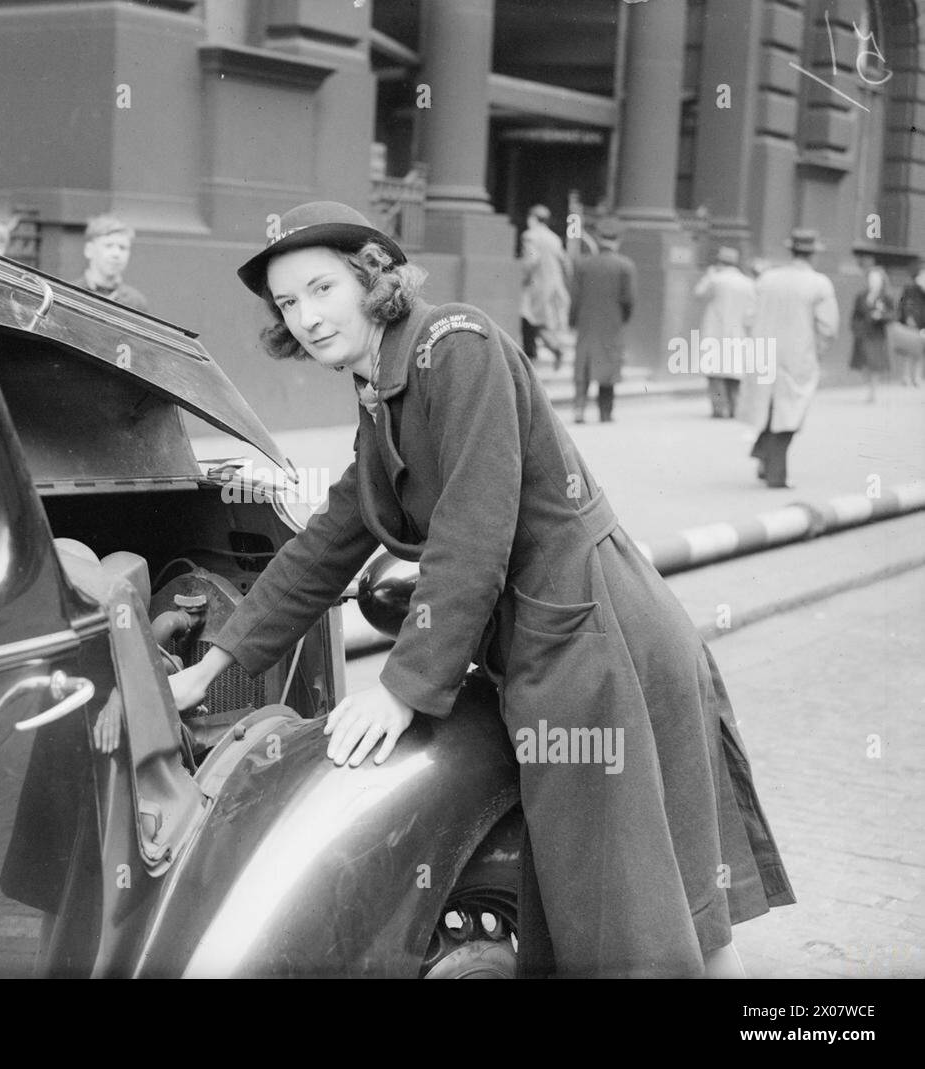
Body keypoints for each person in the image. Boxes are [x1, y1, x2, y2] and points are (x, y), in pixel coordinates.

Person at [168, 200, 795, 978]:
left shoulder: (452, 345)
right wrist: (214, 661)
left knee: (637, 918)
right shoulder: (381, 391)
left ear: (372, 278)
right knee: (658, 905)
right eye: (288, 303)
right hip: (559, 646)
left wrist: (401, 688)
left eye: (322, 288)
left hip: (598, 642)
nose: (306, 316)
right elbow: (330, 541)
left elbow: (473, 532)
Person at [740, 229, 839, 489]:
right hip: (797, 355)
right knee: (789, 414)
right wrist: (817, 351)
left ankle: (763, 457)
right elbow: (829, 327)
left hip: (764, 352)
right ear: (813, 253)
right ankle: (776, 474)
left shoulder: (767, 278)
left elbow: (748, 318)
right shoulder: (819, 283)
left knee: (769, 408)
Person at [569, 217, 635, 423]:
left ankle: (579, 409)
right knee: (609, 364)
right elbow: (629, 299)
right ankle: (605, 412)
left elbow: (575, 296)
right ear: (618, 239)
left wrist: (573, 320)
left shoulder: (583, 263)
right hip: (612, 323)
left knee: (583, 364)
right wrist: (623, 318)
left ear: (598, 238)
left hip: (587, 322)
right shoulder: (626, 266)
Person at [694, 246, 755, 418]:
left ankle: (719, 408)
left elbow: (699, 293)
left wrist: (710, 274)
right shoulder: (747, 283)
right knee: (734, 374)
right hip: (739, 333)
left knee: (715, 374)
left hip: (715, 332)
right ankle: (735, 407)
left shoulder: (715, 279)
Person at [518, 205, 571, 369]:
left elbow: (532, 260)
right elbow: (565, 262)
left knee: (528, 320)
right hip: (552, 286)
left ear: (533, 218)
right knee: (538, 322)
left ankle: (531, 357)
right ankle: (553, 349)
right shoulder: (554, 238)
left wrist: (523, 276)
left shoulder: (530, 236)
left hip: (536, 286)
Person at [70, 214, 149, 312]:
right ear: (89, 250)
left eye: (122, 247)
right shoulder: (71, 294)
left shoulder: (136, 302)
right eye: (108, 246)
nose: (116, 254)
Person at [849, 264, 894, 402]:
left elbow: (893, 315)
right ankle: (869, 386)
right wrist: (856, 328)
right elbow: (855, 315)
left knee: (875, 364)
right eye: (871, 278)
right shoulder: (861, 296)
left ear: (881, 280)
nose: (873, 281)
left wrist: (881, 316)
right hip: (863, 334)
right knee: (863, 365)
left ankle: (872, 392)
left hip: (877, 334)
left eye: (876, 278)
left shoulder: (886, 297)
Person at [893, 260, 925, 387]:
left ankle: (917, 377)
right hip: (912, 324)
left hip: (923, 325)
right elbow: (903, 303)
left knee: (921, 351)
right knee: (909, 350)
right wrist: (908, 317)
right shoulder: (909, 289)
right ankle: (906, 377)